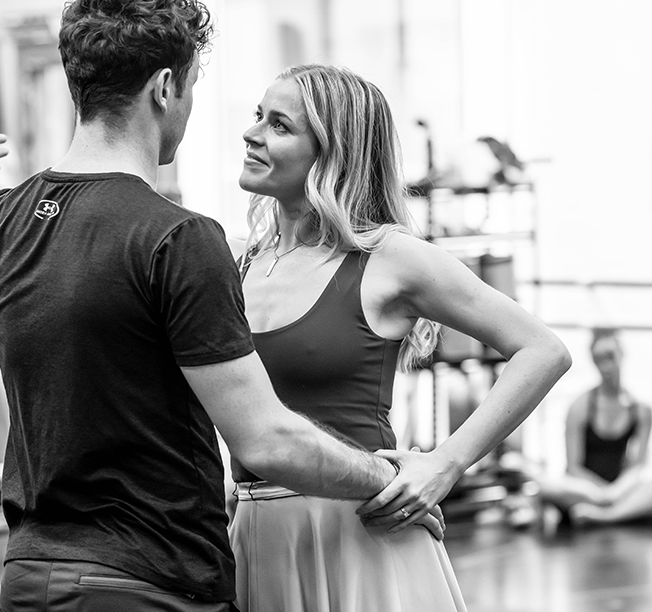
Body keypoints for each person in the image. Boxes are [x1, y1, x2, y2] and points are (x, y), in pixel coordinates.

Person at [0, 0, 409, 612]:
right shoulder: (178, 238)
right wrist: (388, 475)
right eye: (191, 87)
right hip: (148, 586)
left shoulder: (3, 221)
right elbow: (266, 441)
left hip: (31, 580)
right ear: (165, 87)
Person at [228, 64, 572, 611]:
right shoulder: (241, 263)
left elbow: (543, 351)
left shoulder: (389, 257)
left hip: (361, 532)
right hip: (258, 538)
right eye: (258, 117)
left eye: (280, 125)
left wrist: (446, 464)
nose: (252, 134)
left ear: (332, 151)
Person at [528, 327, 652, 525]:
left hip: (621, 490)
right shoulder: (580, 407)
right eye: (599, 359)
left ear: (622, 354)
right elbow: (573, 467)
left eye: (610, 356)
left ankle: (607, 516)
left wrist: (616, 491)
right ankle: (627, 511)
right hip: (586, 490)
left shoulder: (641, 410)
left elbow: (639, 466)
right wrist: (602, 494)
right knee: (542, 485)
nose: (606, 366)